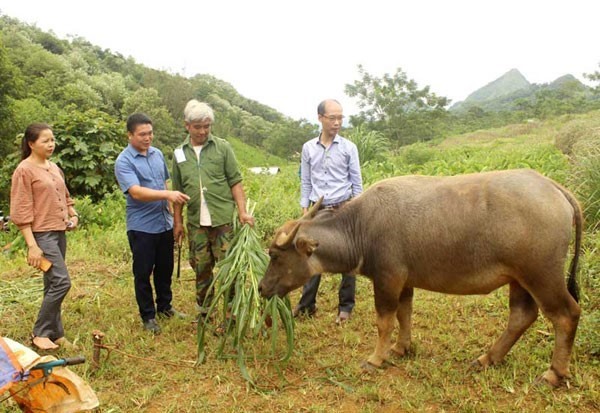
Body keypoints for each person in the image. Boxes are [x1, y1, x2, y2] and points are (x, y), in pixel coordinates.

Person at [172, 100, 254, 319]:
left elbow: (235, 182)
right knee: (201, 267)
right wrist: (178, 222)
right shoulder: (179, 153)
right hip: (196, 222)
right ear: (187, 125)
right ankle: (205, 312)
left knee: (229, 267)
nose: (202, 131)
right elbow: (177, 191)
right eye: (197, 126)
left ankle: (231, 312)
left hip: (222, 221)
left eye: (207, 126)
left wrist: (243, 212)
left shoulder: (222, 147)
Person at [115, 113, 190, 334]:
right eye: (142, 134)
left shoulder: (157, 154)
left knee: (165, 269)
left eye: (150, 133)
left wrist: (175, 219)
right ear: (130, 135)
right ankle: (148, 315)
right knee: (143, 272)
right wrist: (167, 194)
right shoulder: (124, 161)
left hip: (163, 224)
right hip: (142, 227)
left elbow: (164, 181)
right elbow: (136, 192)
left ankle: (165, 307)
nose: (147, 138)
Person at [10, 123, 79, 350]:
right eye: (45, 141)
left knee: (51, 283)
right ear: (31, 144)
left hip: (59, 232)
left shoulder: (54, 167)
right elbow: (21, 211)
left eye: (52, 140)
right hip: (42, 236)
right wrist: (32, 245)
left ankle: (56, 333)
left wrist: (73, 215)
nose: (51, 144)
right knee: (62, 281)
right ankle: (40, 332)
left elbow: (66, 198)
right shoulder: (24, 170)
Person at [295, 99, 363, 324]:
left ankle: (345, 307)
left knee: (348, 258)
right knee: (311, 256)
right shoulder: (308, 148)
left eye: (340, 118)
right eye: (332, 118)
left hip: (343, 209)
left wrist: (356, 209)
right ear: (320, 118)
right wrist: (305, 209)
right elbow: (305, 181)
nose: (337, 123)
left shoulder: (348, 148)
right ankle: (306, 305)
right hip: (317, 209)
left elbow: (357, 183)